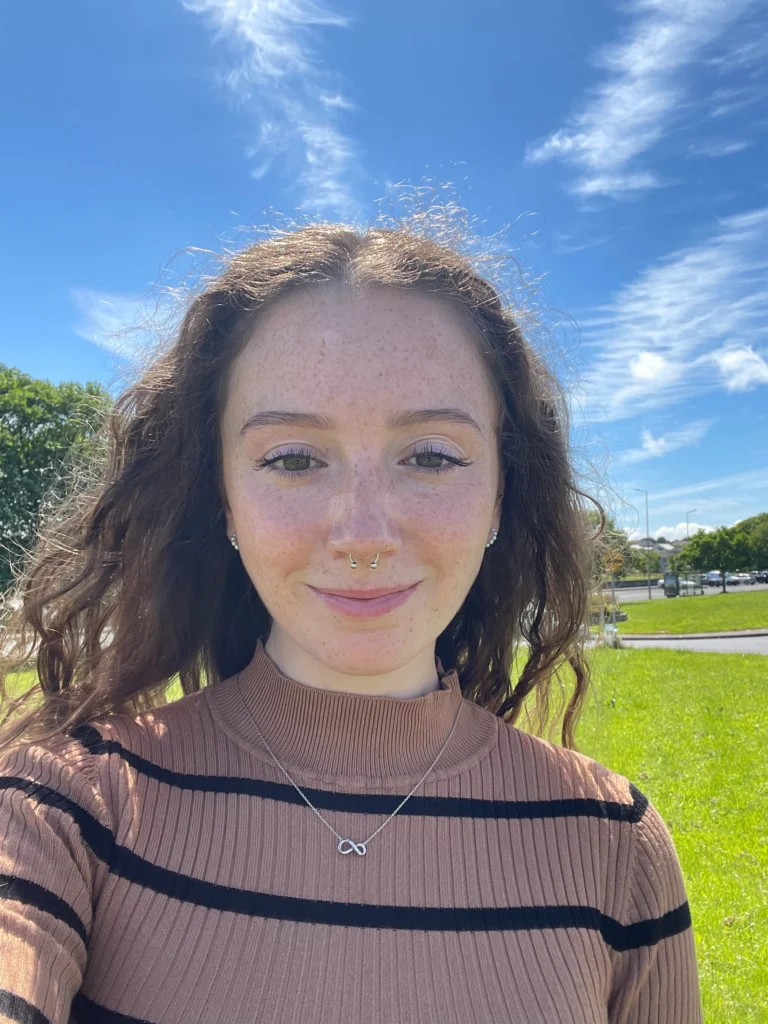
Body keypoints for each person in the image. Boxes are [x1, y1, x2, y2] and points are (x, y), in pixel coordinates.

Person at [0, 220, 702, 1023]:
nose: (364, 535)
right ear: (224, 498)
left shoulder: (615, 846)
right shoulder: (63, 812)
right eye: (293, 459)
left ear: (499, 496)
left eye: (431, 456)